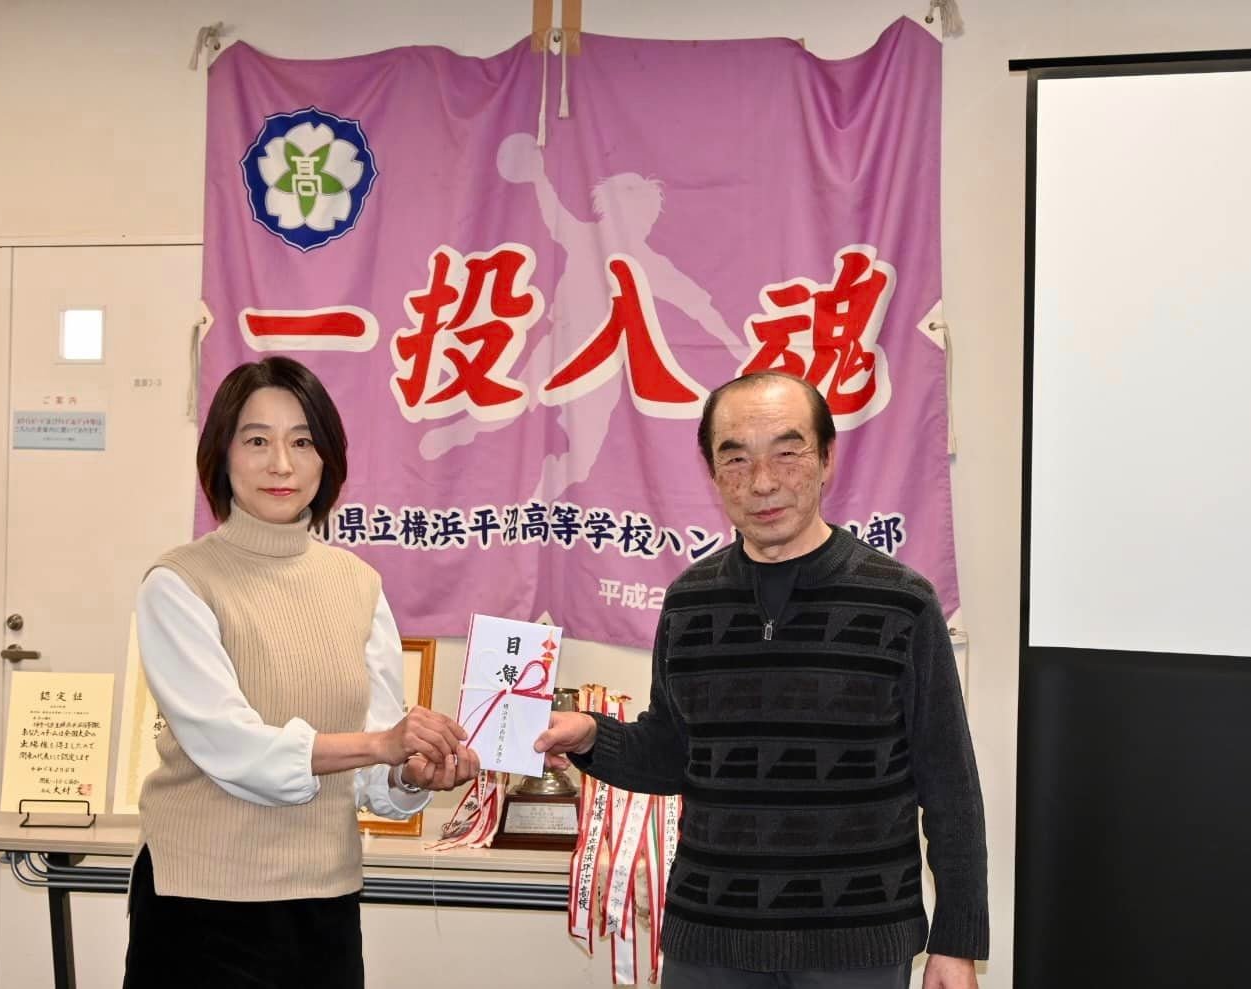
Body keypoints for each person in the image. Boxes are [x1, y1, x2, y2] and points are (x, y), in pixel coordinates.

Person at [536, 371, 987, 989]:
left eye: (787, 453)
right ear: (712, 471)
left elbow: (950, 783)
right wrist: (590, 736)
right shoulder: (690, 601)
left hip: (854, 944)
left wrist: (956, 943)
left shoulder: (900, 602)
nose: (763, 482)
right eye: (736, 459)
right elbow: (674, 753)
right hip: (710, 940)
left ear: (827, 459)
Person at [124, 355, 479, 988]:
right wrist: (380, 744)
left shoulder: (358, 583)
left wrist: (409, 772)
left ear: (327, 459)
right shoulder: (178, 582)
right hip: (200, 905)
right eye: (257, 441)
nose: (281, 465)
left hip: (323, 905)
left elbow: (375, 775)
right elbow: (232, 748)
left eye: (302, 442)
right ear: (222, 454)